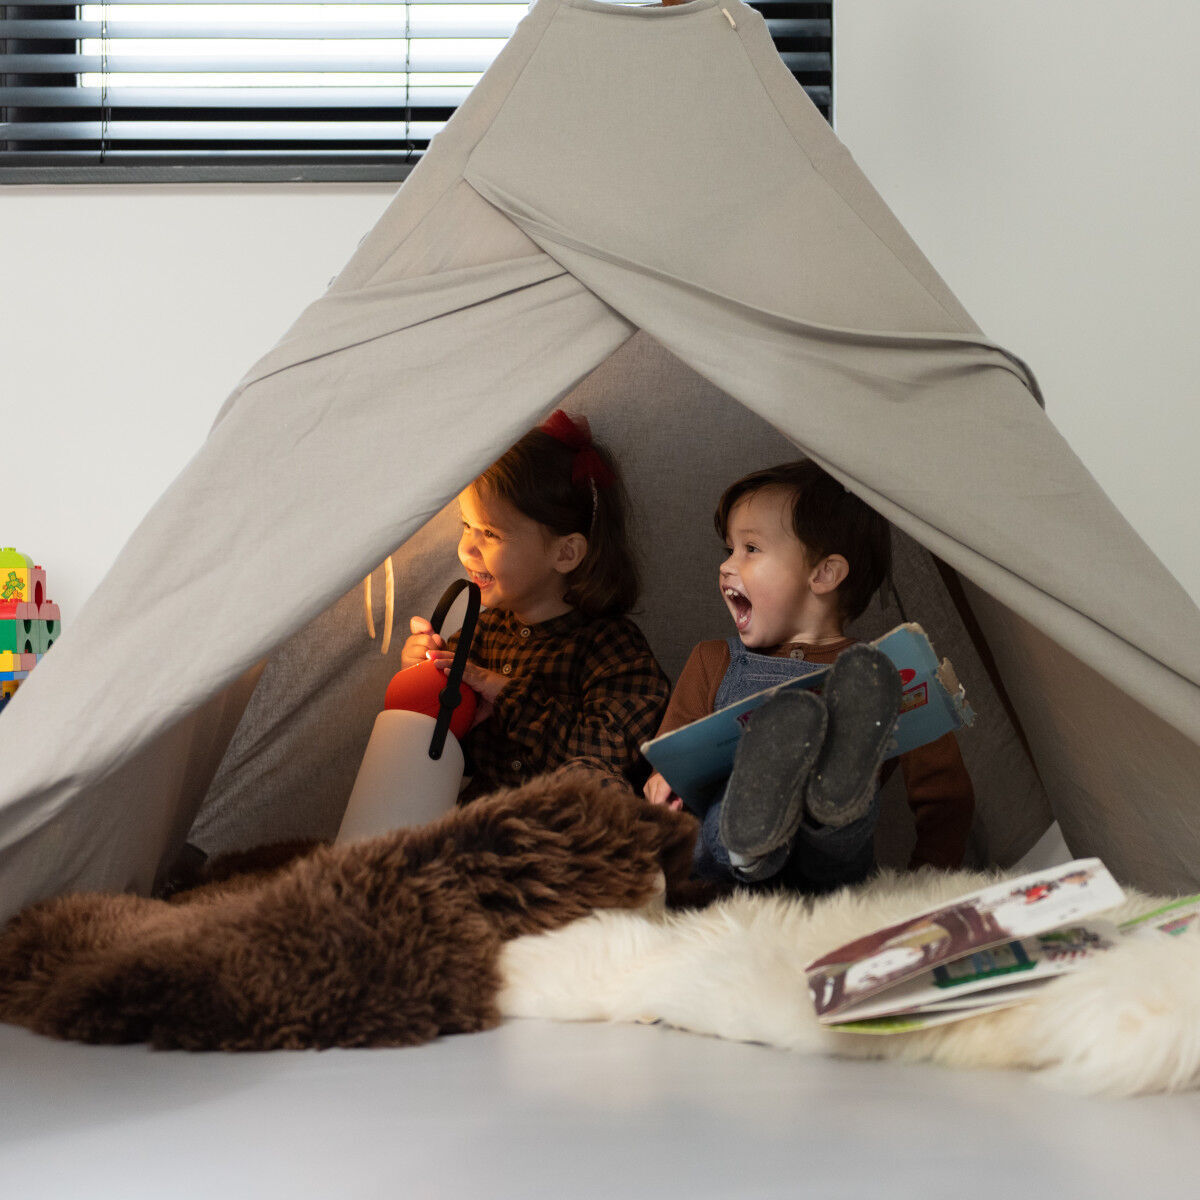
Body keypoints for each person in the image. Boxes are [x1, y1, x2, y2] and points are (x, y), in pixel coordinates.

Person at [644, 460, 974, 893]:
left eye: (750, 548)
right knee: (735, 804)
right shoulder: (713, 661)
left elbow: (947, 797)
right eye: (729, 550)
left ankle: (832, 799)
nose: (727, 566)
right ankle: (751, 830)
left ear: (823, 574)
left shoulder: (881, 675)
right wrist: (661, 789)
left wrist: (923, 888)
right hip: (726, 879)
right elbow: (668, 762)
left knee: (845, 808)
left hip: (831, 885)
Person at [402, 410, 670, 800]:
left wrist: (504, 692)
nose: (466, 549)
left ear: (565, 553)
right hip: (486, 819)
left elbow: (612, 753)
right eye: (466, 526)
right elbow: (444, 750)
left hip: (568, 822)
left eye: (489, 533)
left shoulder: (612, 647)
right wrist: (424, 678)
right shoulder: (480, 634)